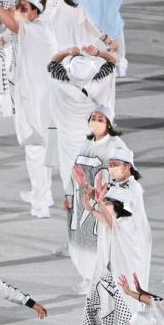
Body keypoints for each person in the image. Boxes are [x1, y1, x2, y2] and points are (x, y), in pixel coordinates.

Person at [0, 0, 55, 218]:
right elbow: (12, 31)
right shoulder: (35, 28)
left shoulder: (36, 30)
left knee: (35, 149)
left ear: (34, 12)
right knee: (38, 149)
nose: (19, 12)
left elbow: (14, 26)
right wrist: (1, 40)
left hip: (36, 102)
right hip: (31, 98)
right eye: (18, 7)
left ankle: (41, 203)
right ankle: (42, 194)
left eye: (24, 8)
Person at [47, 47, 118, 243]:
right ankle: (101, 238)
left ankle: (78, 240)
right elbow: (112, 62)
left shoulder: (62, 83)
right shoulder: (99, 83)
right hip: (95, 147)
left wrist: (68, 51)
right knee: (98, 191)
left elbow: (52, 63)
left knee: (73, 193)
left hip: (69, 145)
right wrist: (98, 53)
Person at [79, 168, 151, 325]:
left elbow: (111, 222)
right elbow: (106, 218)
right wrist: (89, 199)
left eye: (108, 202)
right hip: (114, 281)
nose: (104, 205)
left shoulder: (128, 225)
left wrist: (99, 201)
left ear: (118, 206)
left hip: (124, 285)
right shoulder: (118, 220)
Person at [63, 105, 128, 294]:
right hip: (80, 204)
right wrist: (68, 196)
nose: (96, 122)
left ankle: (97, 279)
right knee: (80, 242)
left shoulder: (116, 146)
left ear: (109, 123)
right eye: (94, 118)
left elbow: (123, 175)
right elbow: (75, 172)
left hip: (101, 202)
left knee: (99, 242)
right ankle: (87, 276)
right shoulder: (87, 144)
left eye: (101, 119)